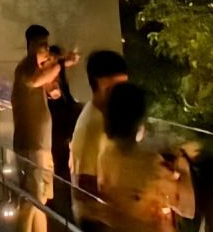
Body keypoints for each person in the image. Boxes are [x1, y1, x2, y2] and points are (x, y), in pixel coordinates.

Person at [96, 82, 192, 232]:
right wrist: (184, 169)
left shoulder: (105, 153)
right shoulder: (149, 164)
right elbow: (187, 209)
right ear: (140, 120)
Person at [11, 25, 79, 232]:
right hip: (31, 145)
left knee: (40, 200)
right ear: (31, 45)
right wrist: (59, 64)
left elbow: (52, 89)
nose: (46, 49)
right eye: (43, 45)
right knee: (30, 200)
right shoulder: (25, 68)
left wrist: (59, 68)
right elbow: (35, 80)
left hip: (41, 145)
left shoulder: (37, 69)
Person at [70, 50, 128, 230]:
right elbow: (85, 189)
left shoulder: (104, 116)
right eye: (119, 88)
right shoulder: (92, 126)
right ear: (103, 85)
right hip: (99, 223)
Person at [46, 45, 82, 210]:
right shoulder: (45, 75)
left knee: (66, 164)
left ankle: (65, 201)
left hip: (66, 126)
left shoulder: (58, 74)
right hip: (56, 127)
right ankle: (58, 204)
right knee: (59, 165)